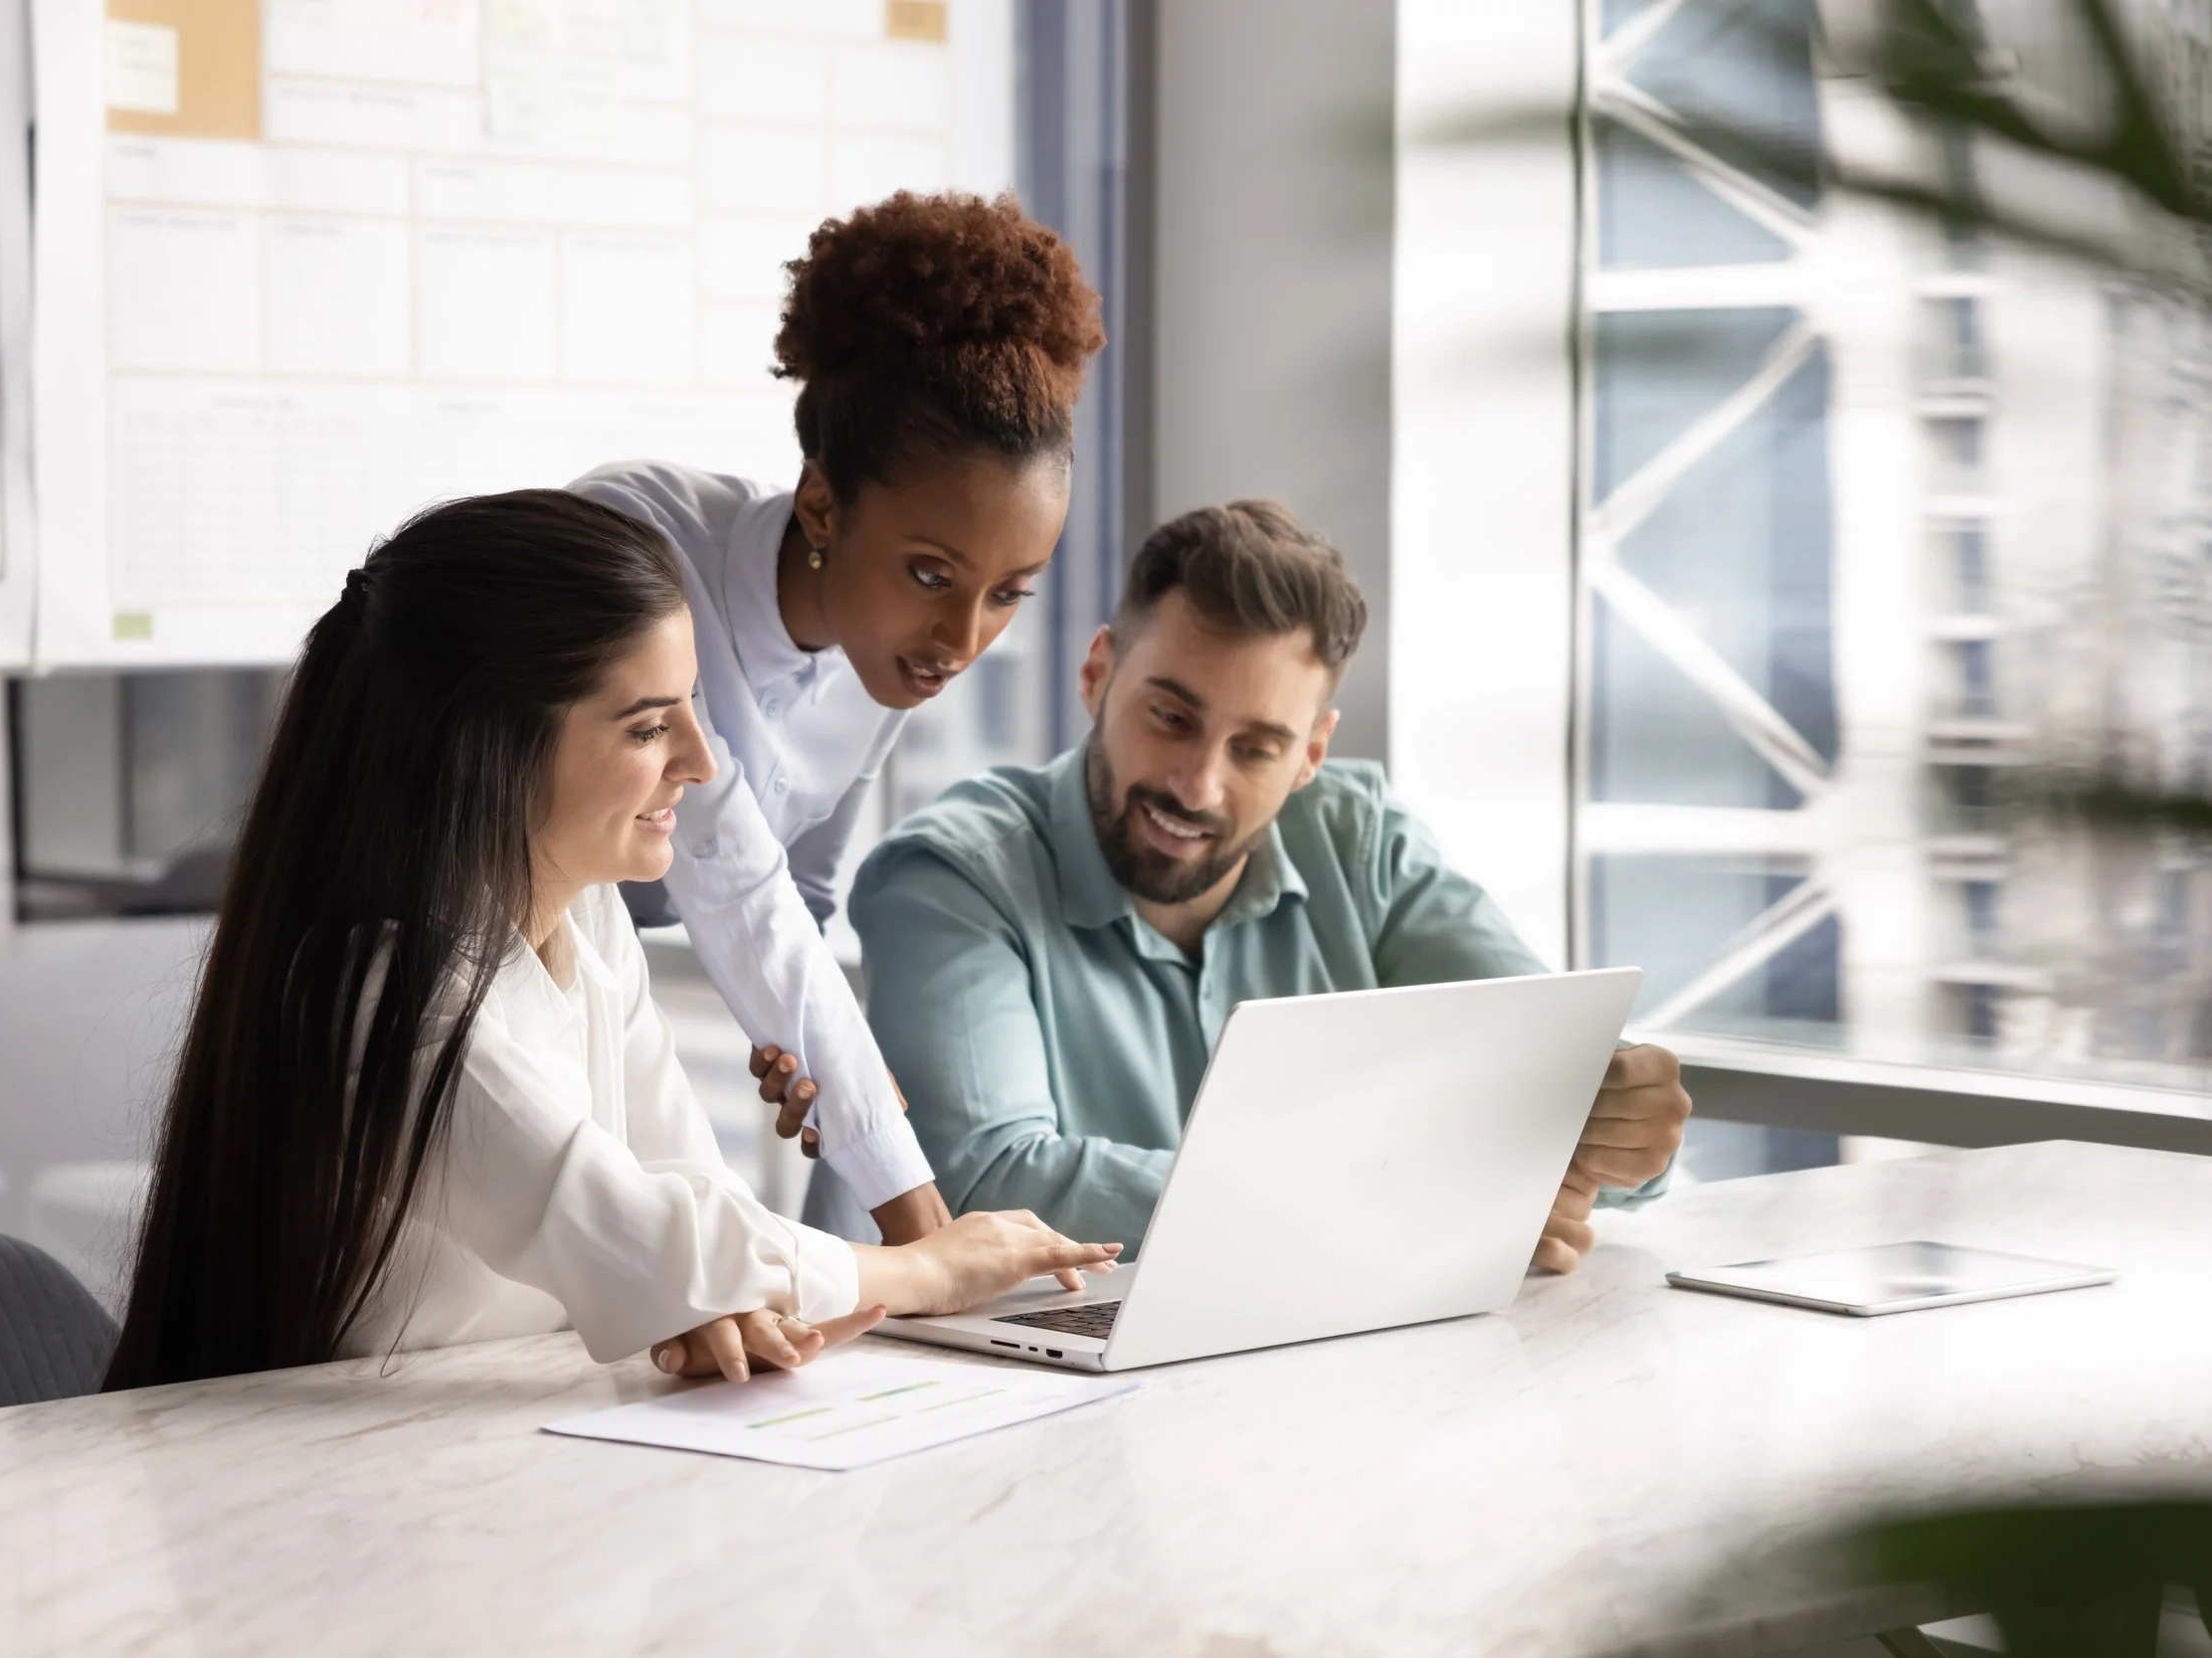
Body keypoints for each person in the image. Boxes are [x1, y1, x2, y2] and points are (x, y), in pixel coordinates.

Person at [103, 490, 1118, 1391]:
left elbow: (683, 1194)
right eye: (645, 727)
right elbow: (636, 1232)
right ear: (487, 749)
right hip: (326, 1495)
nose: (702, 761)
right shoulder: (386, 989)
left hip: (492, 1458)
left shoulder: (586, 919)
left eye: (693, 710)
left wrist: (721, 1298)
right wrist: (921, 1267)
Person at [757, 500, 1690, 1268]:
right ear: (1096, 676)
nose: (1197, 784)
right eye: (1170, 715)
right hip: (965, 1405)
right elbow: (995, 1180)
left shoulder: (1362, 842)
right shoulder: (950, 875)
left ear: (1313, 753)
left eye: (1257, 747)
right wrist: (1408, 1204)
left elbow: (1552, 1080)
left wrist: (1619, 1128)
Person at [568, 190, 1105, 1247]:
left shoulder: (886, 657)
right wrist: (928, 1235)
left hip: (594, 1008)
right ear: (822, 506)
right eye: (931, 573)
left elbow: (795, 904)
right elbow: (730, 872)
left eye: (1009, 592)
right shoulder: (638, 543)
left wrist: (797, 1042)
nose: (962, 634)